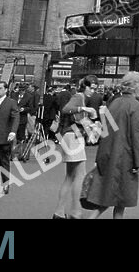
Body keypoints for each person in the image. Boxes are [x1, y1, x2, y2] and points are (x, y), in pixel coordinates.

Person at [84, 71, 139, 219]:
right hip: (125, 158)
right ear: (136, 87)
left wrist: (100, 156)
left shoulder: (114, 103)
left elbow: (105, 131)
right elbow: (137, 137)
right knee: (120, 199)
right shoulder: (136, 107)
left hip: (109, 153)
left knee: (108, 197)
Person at [51, 77, 98, 219]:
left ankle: (59, 212)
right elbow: (66, 109)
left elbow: (75, 117)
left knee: (70, 176)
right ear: (85, 86)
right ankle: (75, 212)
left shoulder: (80, 97)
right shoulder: (79, 97)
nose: (93, 91)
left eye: (95, 88)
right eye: (91, 88)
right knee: (80, 175)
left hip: (69, 136)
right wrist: (84, 109)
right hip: (73, 137)